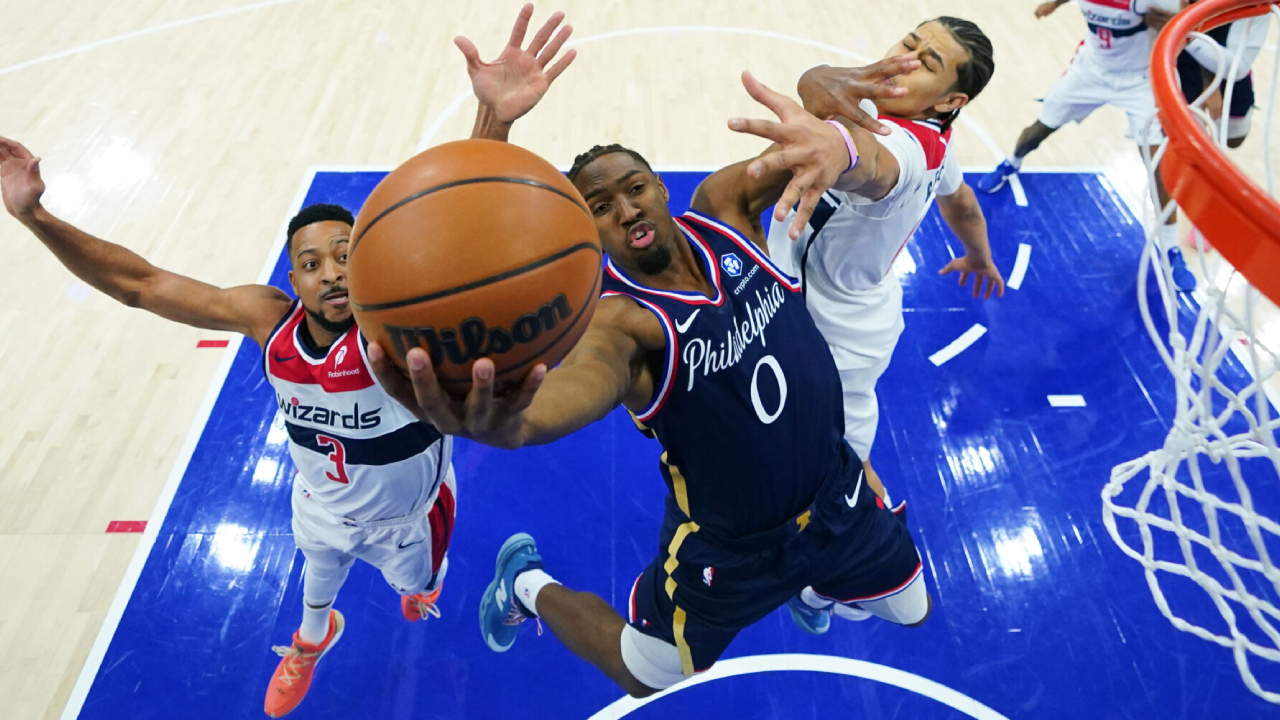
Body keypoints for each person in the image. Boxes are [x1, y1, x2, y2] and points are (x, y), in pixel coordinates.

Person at [0, 5, 575, 716]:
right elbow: (139, 286)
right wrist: (37, 218)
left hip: (411, 516)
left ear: (368, 256)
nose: (332, 272)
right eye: (311, 263)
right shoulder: (265, 319)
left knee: (416, 583)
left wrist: (495, 125)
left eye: (345, 254)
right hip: (319, 503)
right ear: (291, 277)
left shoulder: (397, 321)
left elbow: (456, 215)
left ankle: (420, 589)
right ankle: (313, 639)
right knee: (316, 582)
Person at [368, 58, 931, 697]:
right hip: (730, 551)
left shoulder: (727, 214)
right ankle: (525, 585)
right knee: (645, 673)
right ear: (583, 231)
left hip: (837, 500)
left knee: (911, 609)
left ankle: (816, 579)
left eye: (634, 188)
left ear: (661, 188)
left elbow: (810, 147)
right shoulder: (623, 324)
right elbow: (567, 391)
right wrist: (511, 425)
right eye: (600, 207)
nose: (625, 208)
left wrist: (818, 95)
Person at [765, 17, 1004, 529]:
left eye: (928, 62)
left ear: (948, 100)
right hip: (805, 303)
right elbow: (961, 202)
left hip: (836, 339)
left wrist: (836, 149)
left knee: (847, 469)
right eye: (910, 43)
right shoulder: (934, 131)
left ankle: (874, 559)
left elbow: (873, 164)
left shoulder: (909, 150)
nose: (906, 59)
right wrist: (979, 256)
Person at [976, 0, 1195, 292]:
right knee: (1037, 132)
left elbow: (1192, 25)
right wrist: (1052, 5)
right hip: (1090, 70)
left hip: (1140, 80)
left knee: (1156, 165)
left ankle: (1171, 251)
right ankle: (1011, 163)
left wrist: (1177, 24)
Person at [1177, 1, 1268, 150]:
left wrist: (1212, 83)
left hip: (1222, 52)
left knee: (1232, 138)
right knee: (1187, 143)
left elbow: (1238, 68)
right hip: (1184, 55)